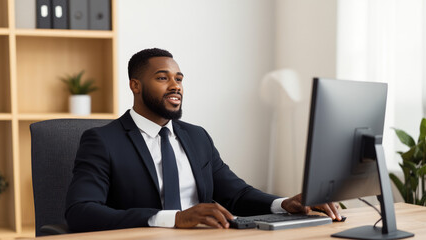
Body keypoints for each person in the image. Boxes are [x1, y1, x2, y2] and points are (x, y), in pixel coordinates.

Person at [65, 48, 341, 232]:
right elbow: (81, 212)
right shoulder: (102, 140)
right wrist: (174, 219)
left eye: (179, 79)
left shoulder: (196, 136)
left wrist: (284, 204)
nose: (175, 86)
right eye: (162, 78)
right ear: (135, 85)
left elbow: (237, 194)